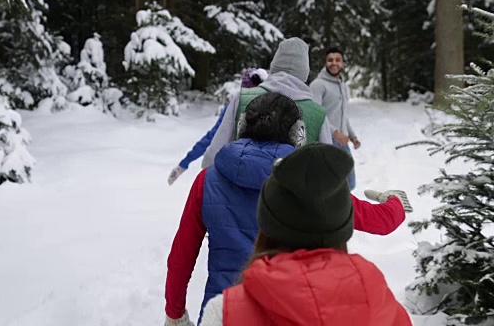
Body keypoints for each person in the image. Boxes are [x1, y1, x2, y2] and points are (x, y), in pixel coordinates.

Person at [164, 94, 412, 326]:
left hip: (223, 312)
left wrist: (174, 313)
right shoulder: (307, 180)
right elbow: (377, 220)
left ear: (242, 126)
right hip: (296, 310)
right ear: (299, 134)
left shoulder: (208, 180)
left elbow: (181, 255)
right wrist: (396, 203)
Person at [199, 143, 413, 326]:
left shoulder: (225, 314)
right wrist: (395, 204)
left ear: (267, 225)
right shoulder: (383, 307)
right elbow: (376, 218)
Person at [201, 37, 333, 169]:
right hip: (290, 188)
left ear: (274, 65)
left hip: (238, 184)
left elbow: (216, 150)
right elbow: (328, 166)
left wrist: (207, 175)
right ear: (305, 72)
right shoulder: (318, 114)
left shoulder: (242, 98)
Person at [168, 68, 268, 186]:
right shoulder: (271, 110)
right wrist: (184, 164)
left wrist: (184, 164)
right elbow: (213, 136)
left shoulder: (236, 107)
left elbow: (212, 137)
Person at [310, 46, 360, 190]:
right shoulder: (318, 85)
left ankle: (344, 210)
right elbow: (316, 114)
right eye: (330, 60)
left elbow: (343, 114)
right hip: (326, 140)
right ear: (325, 63)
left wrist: (352, 136)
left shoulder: (343, 85)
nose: (334, 63)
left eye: (337, 60)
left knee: (350, 183)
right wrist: (335, 132)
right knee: (331, 184)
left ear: (342, 63)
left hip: (342, 141)